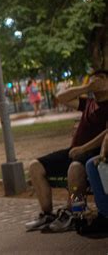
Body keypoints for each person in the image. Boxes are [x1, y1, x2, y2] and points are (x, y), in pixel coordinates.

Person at [26, 70, 108, 232]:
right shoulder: (88, 103)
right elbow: (61, 97)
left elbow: (107, 133)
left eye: (101, 79)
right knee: (35, 166)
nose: (96, 82)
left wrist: (83, 148)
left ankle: (74, 212)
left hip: (93, 152)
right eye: (92, 79)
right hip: (73, 151)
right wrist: (86, 88)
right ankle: (47, 214)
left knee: (75, 169)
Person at [80, 130, 108, 234]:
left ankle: (104, 214)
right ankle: (77, 212)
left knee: (79, 168)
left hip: (84, 152)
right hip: (76, 153)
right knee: (79, 168)